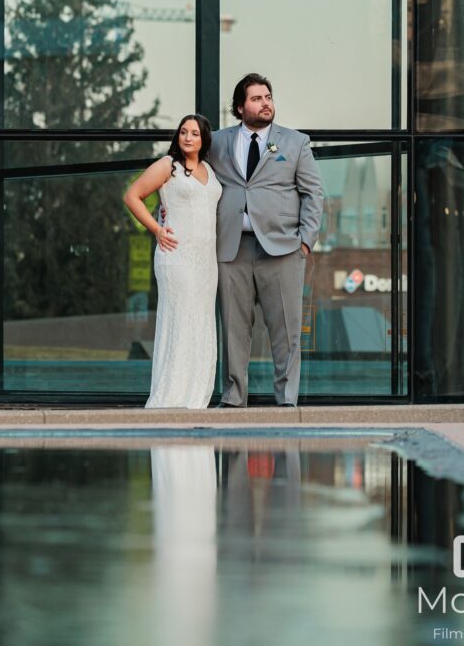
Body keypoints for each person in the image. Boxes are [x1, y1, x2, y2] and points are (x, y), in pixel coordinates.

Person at [208, 74, 324, 407]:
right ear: (240, 107)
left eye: (268, 96)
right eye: (257, 98)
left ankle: (286, 400)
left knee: (286, 331)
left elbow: (313, 192)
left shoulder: (295, 142)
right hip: (231, 248)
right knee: (233, 329)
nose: (266, 103)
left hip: (283, 249)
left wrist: (305, 241)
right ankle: (233, 397)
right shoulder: (217, 142)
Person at [124, 114, 221, 408]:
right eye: (183, 132)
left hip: (206, 262)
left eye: (194, 133)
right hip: (176, 257)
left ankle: (196, 400)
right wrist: (156, 229)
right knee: (180, 323)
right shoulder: (169, 166)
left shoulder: (210, 170)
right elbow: (132, 196)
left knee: (202, 325)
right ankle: (170, 400)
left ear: (204, 139)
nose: (188, 137)